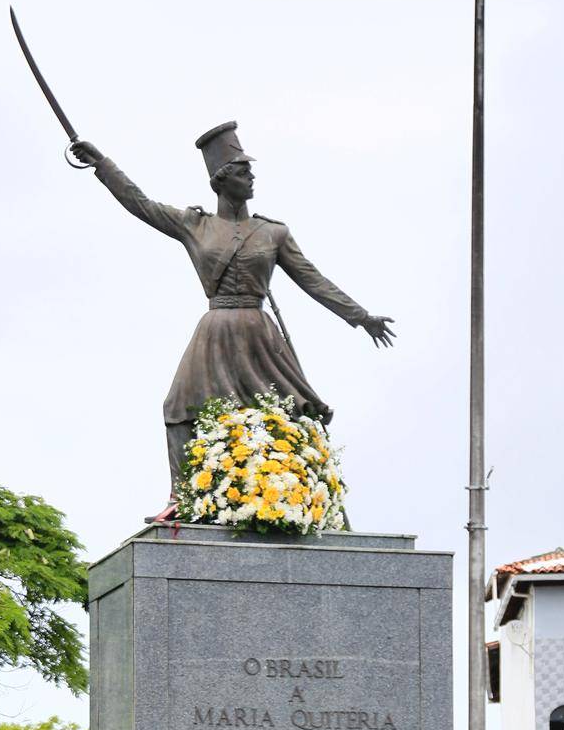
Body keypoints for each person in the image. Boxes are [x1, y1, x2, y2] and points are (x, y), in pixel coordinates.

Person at [70, 122, 394, 495]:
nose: (252, 178)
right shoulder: (195, 225)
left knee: (287, 409)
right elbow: (141, 204)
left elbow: (312, 279)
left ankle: (300, 492)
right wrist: (103, 166)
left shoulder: (273, 233)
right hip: (215, 331)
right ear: (222, 181)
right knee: (178, 408)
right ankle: (184, 495)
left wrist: (360, 316)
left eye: (251, 171)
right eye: (243, 171)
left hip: (258, 332)